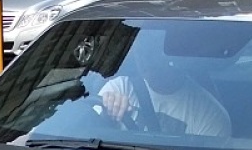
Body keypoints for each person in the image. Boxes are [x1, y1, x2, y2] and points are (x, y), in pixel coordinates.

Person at [98, 54, 231, 137]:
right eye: (140, 51)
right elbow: (86, 125)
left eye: (152, 51)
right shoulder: (119, 88)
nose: (145, 60)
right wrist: (106, 113)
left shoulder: (210, 115)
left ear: (171, 55)